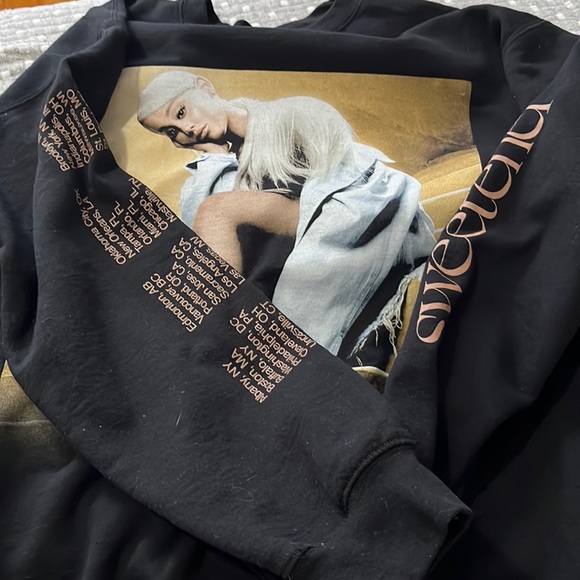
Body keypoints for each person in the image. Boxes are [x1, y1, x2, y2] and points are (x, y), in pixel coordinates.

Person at [138, 71, 436, 358]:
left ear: (204, 87)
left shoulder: (292, 113)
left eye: (181, 113)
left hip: (343, 205)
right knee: (215, 213)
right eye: (172, 132)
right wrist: (216, 157)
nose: (187, 130)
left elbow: (337, 180)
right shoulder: (230, 157)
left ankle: (218, 330)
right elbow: (202, 236)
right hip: (297, 219)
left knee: (216, 210)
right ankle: (222, 328)